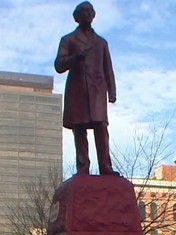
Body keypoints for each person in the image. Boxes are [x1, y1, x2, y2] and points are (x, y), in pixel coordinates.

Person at [55, 1, 118, 176]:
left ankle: (106, 166)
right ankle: (83, 168)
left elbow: (108, 68)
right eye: (84, 11)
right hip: (78, 90)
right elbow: (59, 65)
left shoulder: (101, 43)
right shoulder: (68, 40)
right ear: (77, 17)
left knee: (101, 127)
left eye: (90, 11)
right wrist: (74, 58)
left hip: (98, 91)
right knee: (79, 129)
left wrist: (112, 90)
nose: (87, 14)